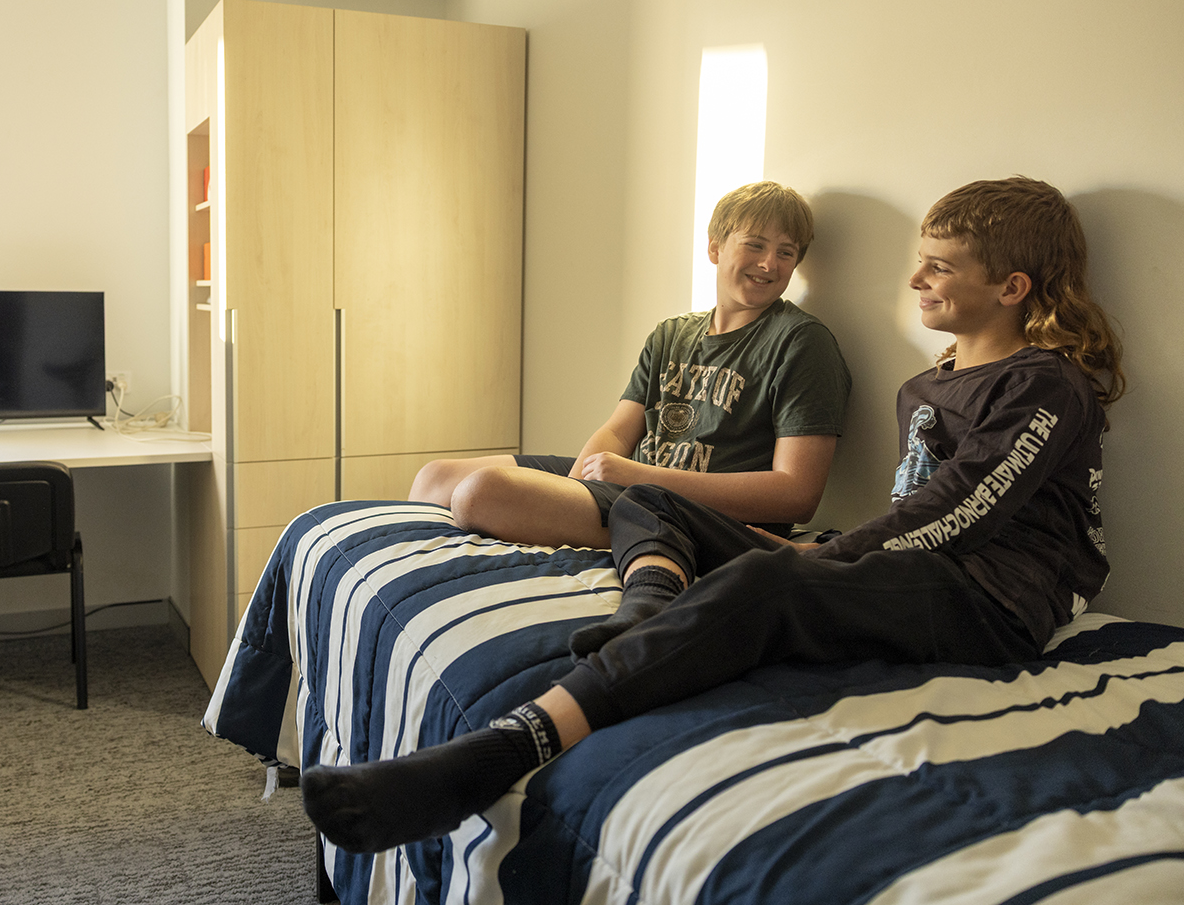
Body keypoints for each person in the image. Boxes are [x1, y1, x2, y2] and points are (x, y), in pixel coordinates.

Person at [303, 176, 1124, 855]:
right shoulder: (933, 378)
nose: (914, 281)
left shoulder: (1041, 384)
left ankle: (495, 754)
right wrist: (834, 550)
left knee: (770, 579)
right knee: (657, 497)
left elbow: (958, 514)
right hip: (915, 565)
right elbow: (910, 511)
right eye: (921, 263)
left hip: (993, 599)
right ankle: (650, 603)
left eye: (938, 268)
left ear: (1010, 288)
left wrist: (818, 559)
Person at [408, 181, 852, 561]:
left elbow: (797, 493)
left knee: (481, 495)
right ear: (716, 247)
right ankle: (609, 516)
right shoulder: (672, 333)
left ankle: (710, 541)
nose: (768, 264)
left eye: (785, 252)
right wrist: (584, 477)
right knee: (435, 479)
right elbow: (620, 430)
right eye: (754, 244)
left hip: (690, 506)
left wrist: (639, 478)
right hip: (637, 481)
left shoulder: (801, 342)